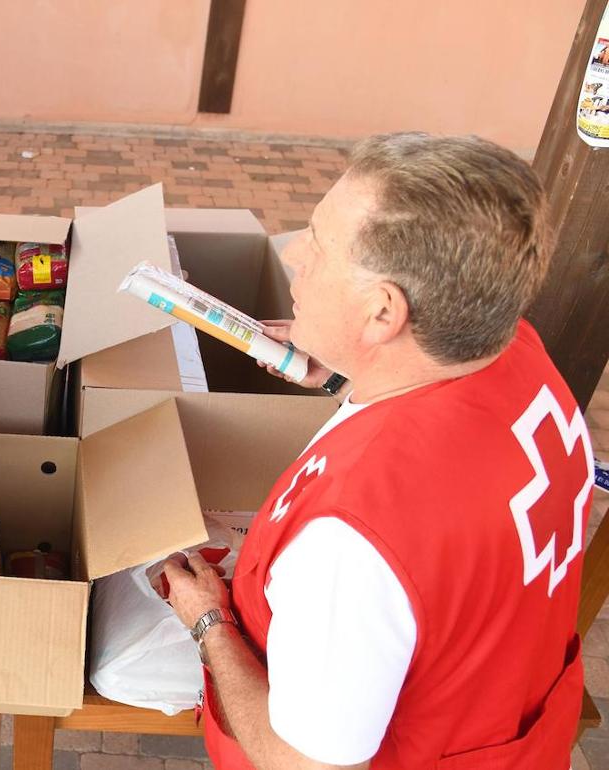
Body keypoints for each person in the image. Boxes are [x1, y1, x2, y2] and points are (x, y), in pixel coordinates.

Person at [163, 133, 592, 769]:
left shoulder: (353, 539)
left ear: (383, 314)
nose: (292, 255)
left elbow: (303, 762)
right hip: (503, 721)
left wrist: (209, 624)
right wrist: (348, 369)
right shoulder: (514, 349)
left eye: (318, 243)